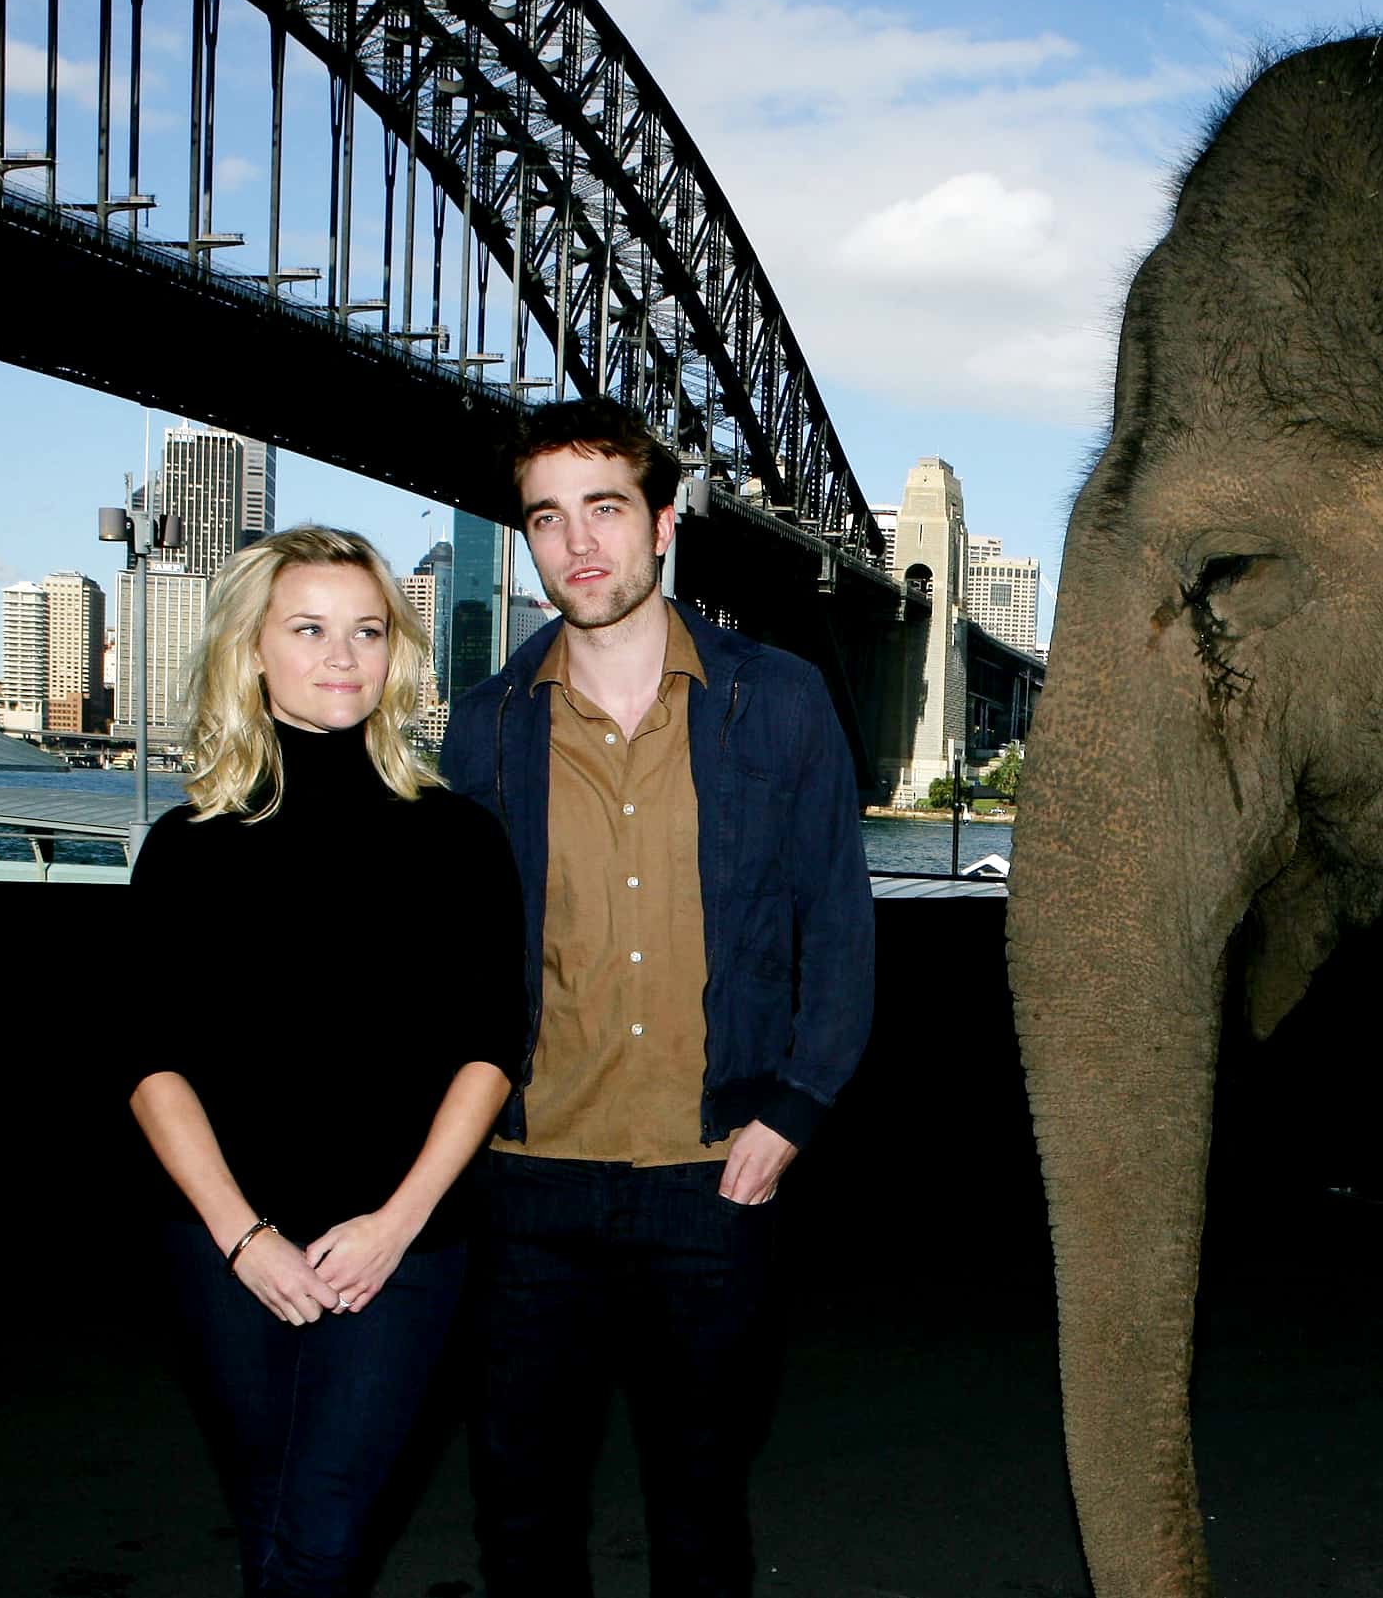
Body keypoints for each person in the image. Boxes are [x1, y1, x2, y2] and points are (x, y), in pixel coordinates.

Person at [441, 398, 873, 1595]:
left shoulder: (774, 700)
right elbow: (454, 961)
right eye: (547, 519)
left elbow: (837, 925)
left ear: (664, 523)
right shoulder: (484, 727)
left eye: (606, 510)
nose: (578, 544)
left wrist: (793, 1111)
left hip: (713, 1175)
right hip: (529, 1180)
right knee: (521, 1525)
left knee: (701, 1516)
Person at [126, 526, 524, 1595]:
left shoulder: (458, 838)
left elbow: (491, 1052)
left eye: (367, 630)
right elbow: (150, 1062)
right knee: (269, 1518)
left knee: (322, 1531)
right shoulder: (188, 846)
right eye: (309, 629)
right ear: (252, 647)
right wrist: (244, 1236)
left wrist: (397, 1227)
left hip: (401, 1244)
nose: (343, 655)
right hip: (224, 1241)